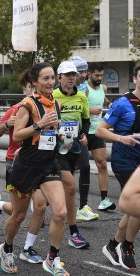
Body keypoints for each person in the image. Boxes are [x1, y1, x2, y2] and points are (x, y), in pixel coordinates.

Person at [0, 62, 68, 275]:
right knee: (18, 216)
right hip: (27, 164)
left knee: (60, 211)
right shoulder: (26, 105)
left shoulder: (57, 104)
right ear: (35, 82)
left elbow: (53, 130)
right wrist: (39, 124)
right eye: (45, 78)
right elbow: (17, 135)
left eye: (52, 77)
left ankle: (52, 258)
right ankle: (8, 249)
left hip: (48, 163)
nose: (50, 82)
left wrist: (63, 137)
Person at [0, 72, 46, 264]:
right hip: (17, 162)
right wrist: (6, 124)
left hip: (41, 164)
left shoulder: (49, 107)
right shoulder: (16, 108)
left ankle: (27, 248)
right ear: (25, 88)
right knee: (19, 213)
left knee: (40, 206)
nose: (34, 90)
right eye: (30, 87)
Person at [97, 64, 140, 271]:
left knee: (133, 211)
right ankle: (127, 247)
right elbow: (100, 130)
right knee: (136, 206)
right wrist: (121, 138)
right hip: (125, 162)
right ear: (135, 78)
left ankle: (113, 245)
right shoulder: (122, 103)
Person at [53, 61, 91, 250]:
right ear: (59, 77)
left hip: (76, 144)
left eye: (73, 75)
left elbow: (86, 121)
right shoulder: (53, 96)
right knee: (69, 186)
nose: (70, 78)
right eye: (66, 75)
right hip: (58, 147)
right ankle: (73, 231)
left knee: (81, 171)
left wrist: (84, 134)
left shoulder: (82, 98)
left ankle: (59, 207)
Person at [71, 56, 99, 221]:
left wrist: (84, 133)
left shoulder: (84, 90)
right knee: (63, 173)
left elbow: (85, 116)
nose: (83, 75)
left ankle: (82, 207)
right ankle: (43, 199)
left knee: (85, 167)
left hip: (79, 136)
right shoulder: (57, 92)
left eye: (84, 71)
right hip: (61, 139)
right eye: (79, 71)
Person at [86, 62, 115, 211]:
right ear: (89, 73)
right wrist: (89, 110)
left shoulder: (102, 88)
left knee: (102, 163)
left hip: (97, 132)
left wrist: (110, 104)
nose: (99, 78)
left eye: (101, 75)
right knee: (76, 166)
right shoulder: (84, 88)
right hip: (84, 132)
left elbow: (103, 100)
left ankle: (104, 200)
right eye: (96, 75)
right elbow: (79, 105)